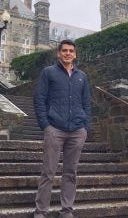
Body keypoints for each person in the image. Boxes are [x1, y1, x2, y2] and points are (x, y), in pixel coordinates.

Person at [34, 39, 91, 218]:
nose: (68, 53)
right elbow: (39, 99)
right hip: (55, 129)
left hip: (77, 130)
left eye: (71, 51)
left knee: (70, 173)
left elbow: (86, 103)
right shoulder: (48, 72)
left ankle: (66, 210)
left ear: (75, 54)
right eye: (64, 50)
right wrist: (46, 125)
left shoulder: (81, 76)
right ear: (58, 53)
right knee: (48, 172)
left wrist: (85, 127)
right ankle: (41, 211)